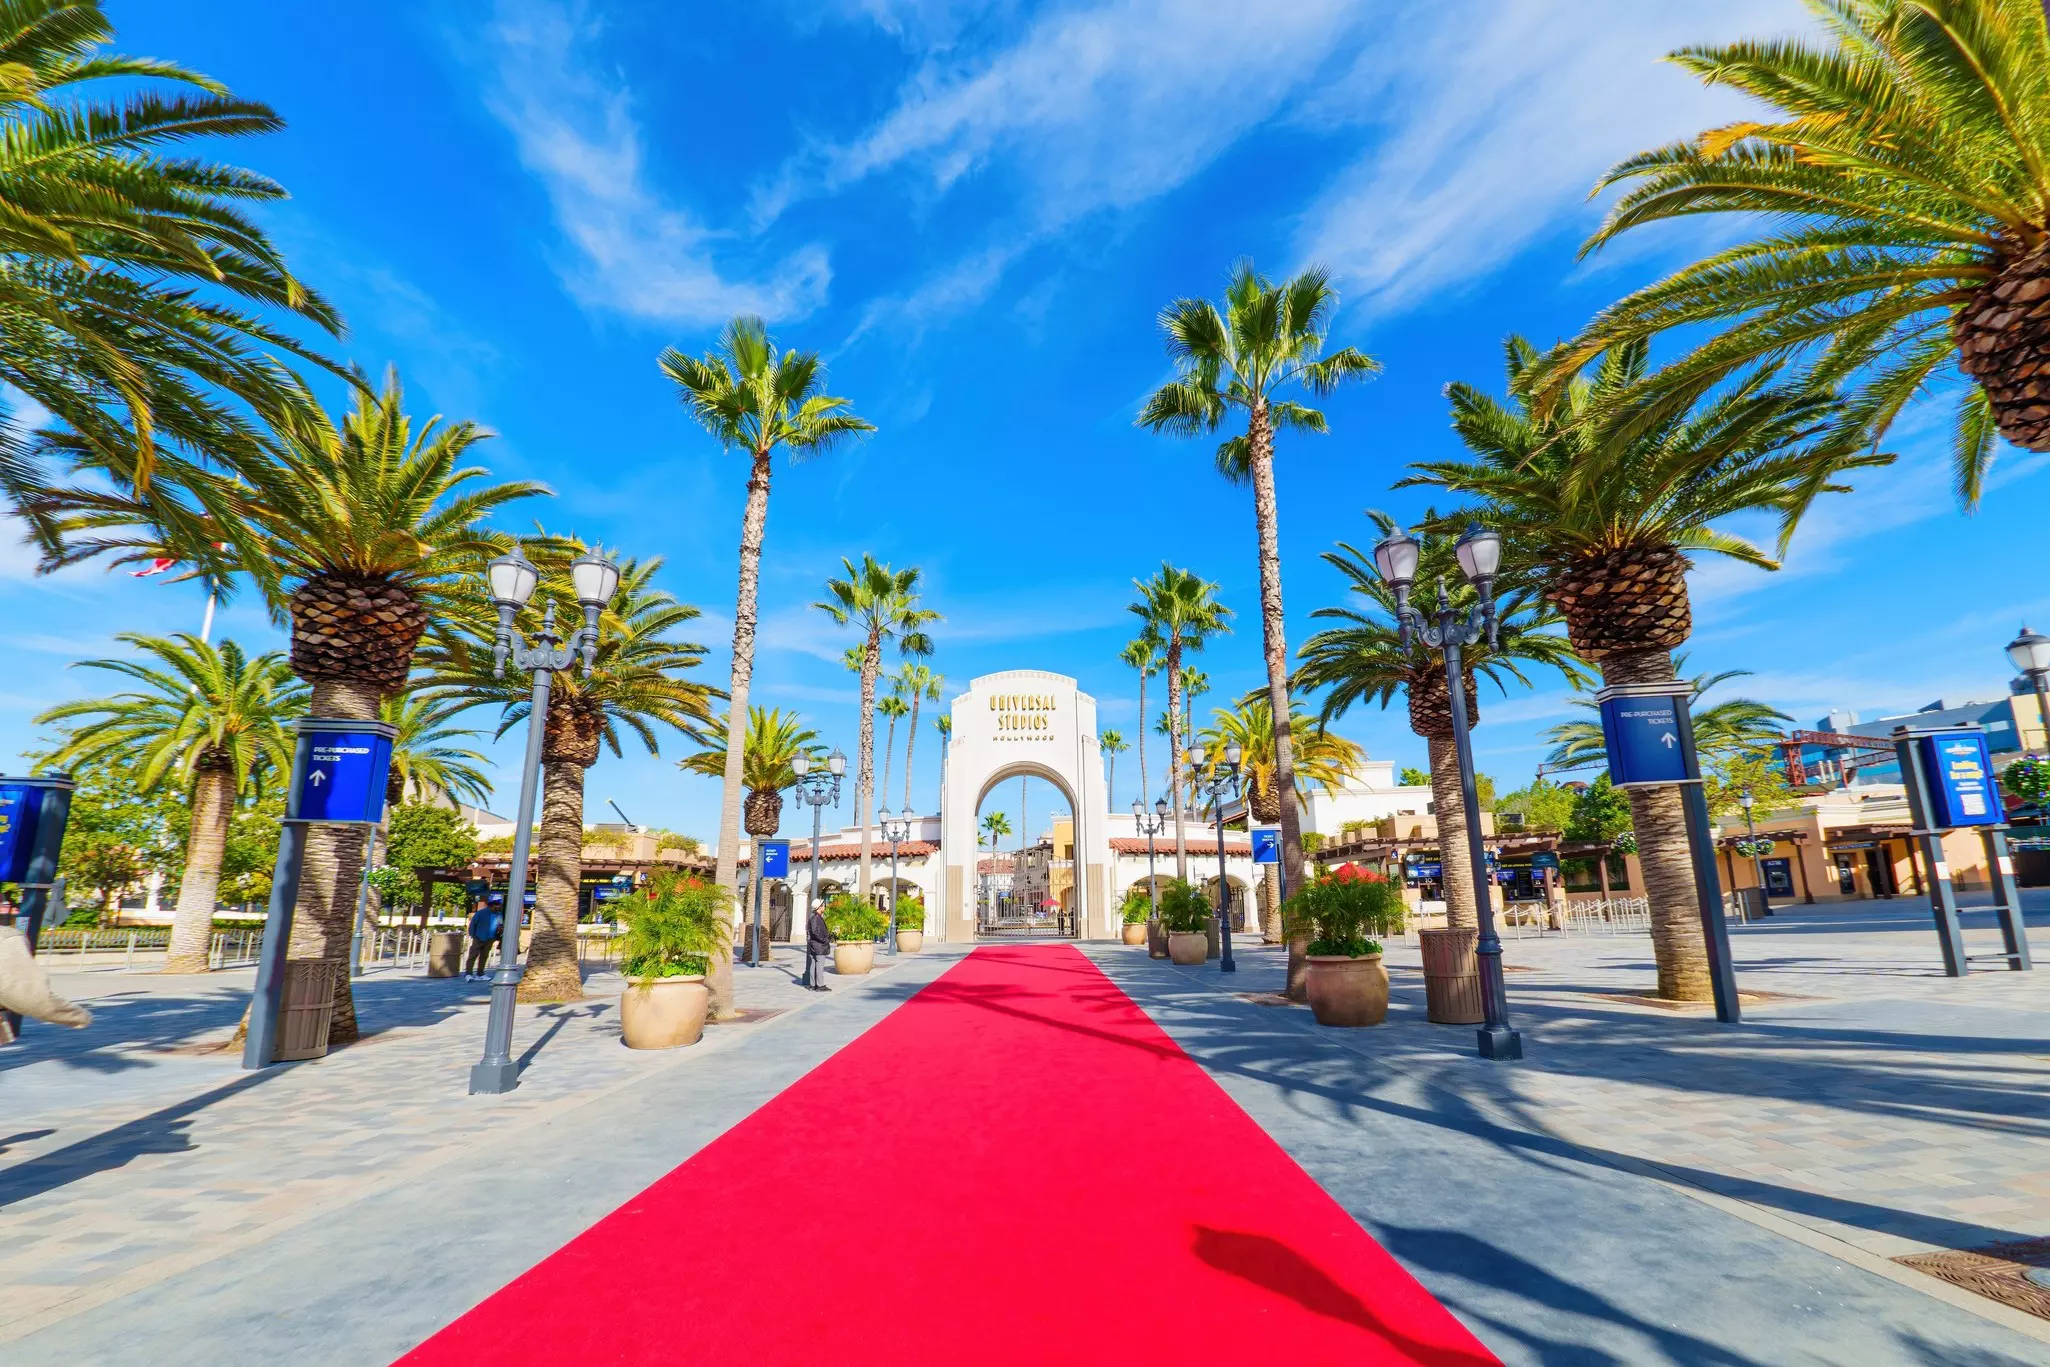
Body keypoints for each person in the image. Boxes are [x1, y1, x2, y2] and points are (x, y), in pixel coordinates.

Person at [465, 899, 502, 981]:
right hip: (478, 937)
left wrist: (499, 930)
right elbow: (472, 925)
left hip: (490, 938)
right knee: (473, 955)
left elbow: (500, 924)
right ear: (491, 906)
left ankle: (480, 973)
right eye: (496, 906)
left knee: (484, 956)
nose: (498, 907)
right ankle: (468, 973)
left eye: (499, 906)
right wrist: (473, 935)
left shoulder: (499, 914)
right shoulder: (481, 913)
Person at [802, 899, 831, 991]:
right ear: (819, 907)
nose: (824, 907)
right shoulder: (816, 918)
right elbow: (815, 932)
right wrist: (824, 940)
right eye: (823, 905)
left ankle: (813, 985)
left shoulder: (815, 918)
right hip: (818, 946)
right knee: (819, 965)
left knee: (814, 964)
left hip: (815, 945)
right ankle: (820, 985)